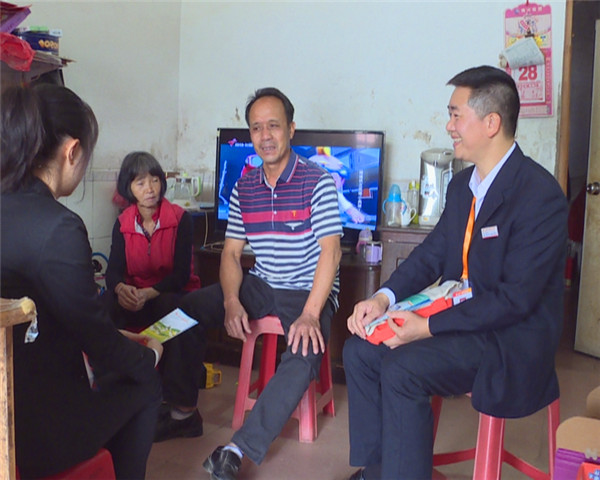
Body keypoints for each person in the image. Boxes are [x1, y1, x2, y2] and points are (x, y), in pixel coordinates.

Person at [343, 65, 568, 480]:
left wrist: (426, 328)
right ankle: (380, 470)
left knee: (402, 367)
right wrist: (382, 298)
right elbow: (432, 254)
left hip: (508, 338)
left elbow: (514, 299)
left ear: (491, 123)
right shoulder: (463, 186)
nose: (448, 126)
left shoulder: (539, 196)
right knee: (360, 351)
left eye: (455, 115)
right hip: (459, 316)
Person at [0, 84, 163, 479]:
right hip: (34, 437)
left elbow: (58, 320)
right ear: (72, 151)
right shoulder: (59, 227)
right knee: (145, 384)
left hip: (4, 415)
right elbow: (99, 344)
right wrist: (150, 356)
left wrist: (111, 335)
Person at [179, 87, 343, 480]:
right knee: (187, 309)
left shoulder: (317, 181)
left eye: (273, 126)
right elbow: (231, 254)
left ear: (291, 129)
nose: (265, 135)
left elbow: (332, 253)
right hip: (263, 283)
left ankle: (237, 450)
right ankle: (179, 410)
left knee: (303, 353)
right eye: (256, 128)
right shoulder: (244, 187)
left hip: (307, 292)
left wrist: (310, 314)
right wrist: (231, 301)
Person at [103, 151, 204, 442]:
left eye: (155, 180)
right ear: (128, 189)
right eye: (140, 183)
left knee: (176, 313)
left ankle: (183, 413)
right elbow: (113, 272)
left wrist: (147, 293)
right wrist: (121, 290)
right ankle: (110, 394)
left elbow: (181, 275)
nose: (150, 189)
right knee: (103, 308)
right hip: (137, 297)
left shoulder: (180, 219)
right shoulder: (123, 223)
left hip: (171, 294)